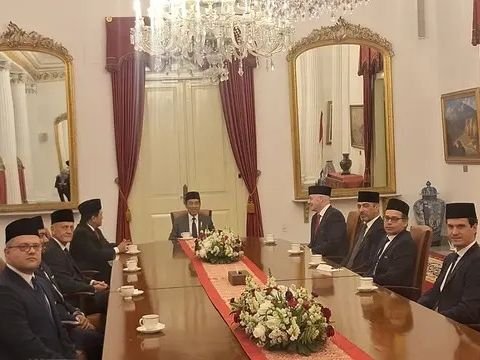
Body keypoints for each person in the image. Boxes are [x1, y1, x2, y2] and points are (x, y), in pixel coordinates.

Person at [0, 217, 76, 359]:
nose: (31, 251)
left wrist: (71, 355)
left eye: (36, 246)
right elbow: (25, 345)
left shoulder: (41, 282)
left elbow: (60, 330)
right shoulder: (4, 290)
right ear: (7, 252)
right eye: (23, 247)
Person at [32, 214, 104, 360]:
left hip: (71, 311)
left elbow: (58, 295)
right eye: (41, 237)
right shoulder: (49, 254)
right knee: (102, 338)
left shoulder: (44, 265)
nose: (46, 240)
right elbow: (59, 295)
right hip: (65, 322)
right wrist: (75, 319)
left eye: (71, 227)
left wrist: (77, 312)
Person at [418, 203, 480, 326]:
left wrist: (435, 319)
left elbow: (469, 310)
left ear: (474, 228)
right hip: (444, 323)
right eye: (450, 227)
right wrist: (415, 308)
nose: (454, 232)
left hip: (462, 332)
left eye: (461, 226)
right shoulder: (451, 258)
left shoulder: (477, 261)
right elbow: (435, 293)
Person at [43, 209, 108, 314]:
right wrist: (92, 288)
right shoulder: (52, 252)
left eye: (71, 227)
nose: (69, 231)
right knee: (111, 299)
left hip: (82, 294)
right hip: (75, 301)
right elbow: (64, 284)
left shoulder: (61, 247)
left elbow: (74, 274)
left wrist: (92, 282)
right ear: (53, 230)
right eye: (64, 227)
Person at [70, 199, 130, 283]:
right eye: (100, 215)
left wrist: (121, 245)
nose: (102, 217)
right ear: (93, 218)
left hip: (103, 271)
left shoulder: (95, 230)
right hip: (94, 275)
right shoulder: (81, 233)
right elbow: (96, 254)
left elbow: (105, 245)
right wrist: (118, 249)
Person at [366, 198, 417, 295]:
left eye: (394, 219)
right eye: (386, 218)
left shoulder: (405, 244)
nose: (389, 222)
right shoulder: (384, 237)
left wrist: (368, 280)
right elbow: (372, 265)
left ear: (405, 222)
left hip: (392, 294)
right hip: (375, 287)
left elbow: (394, 278)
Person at [345, 191, 385, 275]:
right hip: (348, 273)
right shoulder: (362, 226)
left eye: (365, 206)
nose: (361, 210)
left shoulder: (381, 229)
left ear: (376, 207)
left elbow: (369, 263)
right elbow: (352, 255)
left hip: (360, 276)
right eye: (359, 206)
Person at [307, 185, 348, 264]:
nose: (308, 202)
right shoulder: (315, 217)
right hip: (319, 259)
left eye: (310, 198)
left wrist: (311, 251)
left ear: (320, 199)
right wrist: (305, 250)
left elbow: (333, 244)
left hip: (332, 261)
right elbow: (314, 243)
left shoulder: (335, 215)